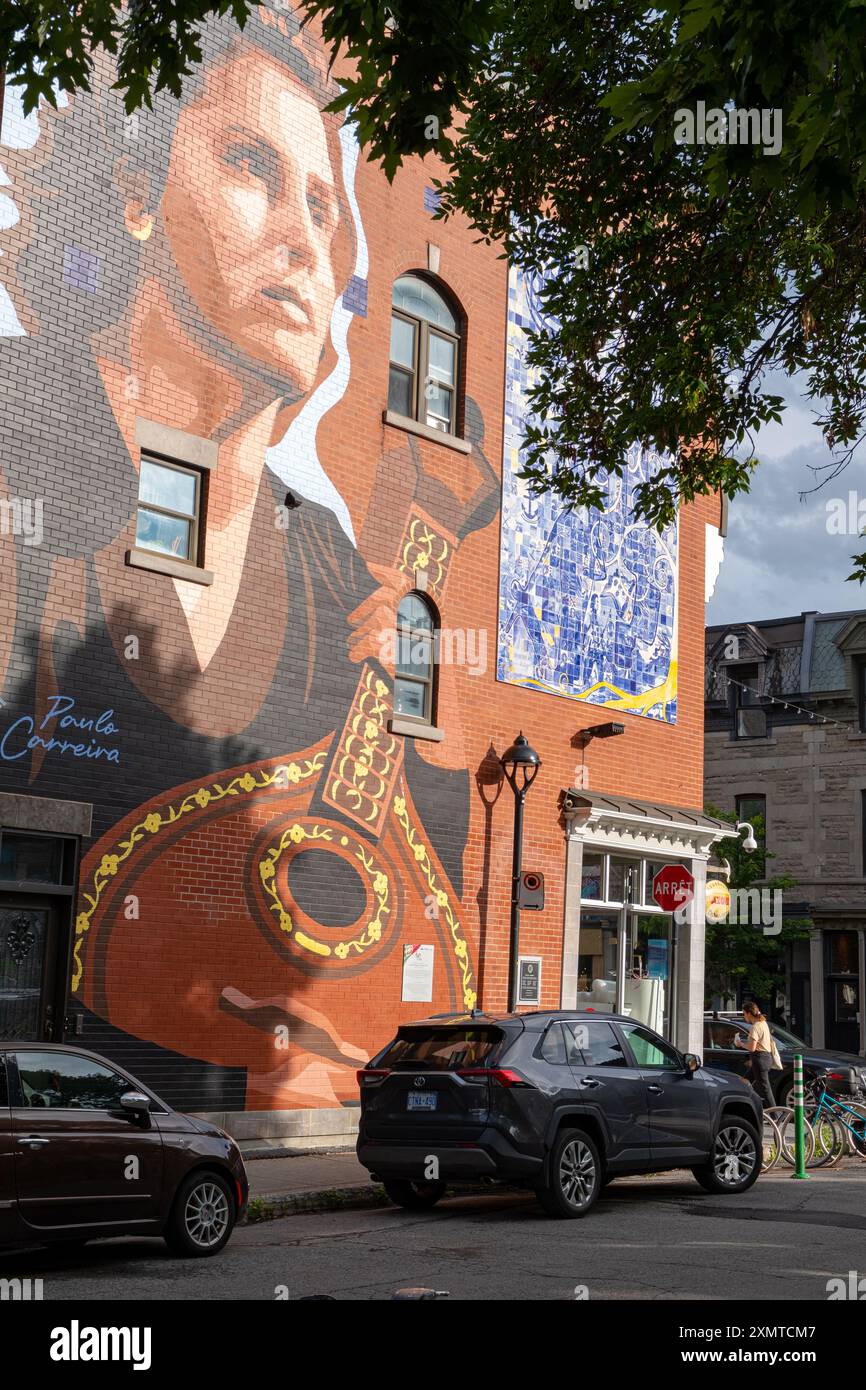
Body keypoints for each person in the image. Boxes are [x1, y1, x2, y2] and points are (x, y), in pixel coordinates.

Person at [735, 1001, 781, 1105]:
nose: (744, 1017)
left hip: (760, 1059)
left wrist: (740, 1044)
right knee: (745, 1081)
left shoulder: (755, 1027)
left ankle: (776, 1116)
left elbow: (752, 1048)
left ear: (749, 1014)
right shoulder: (763, 1023)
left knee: (765, 1089)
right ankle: (744, 1104)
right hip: (765, 1058)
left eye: (744, 1014)